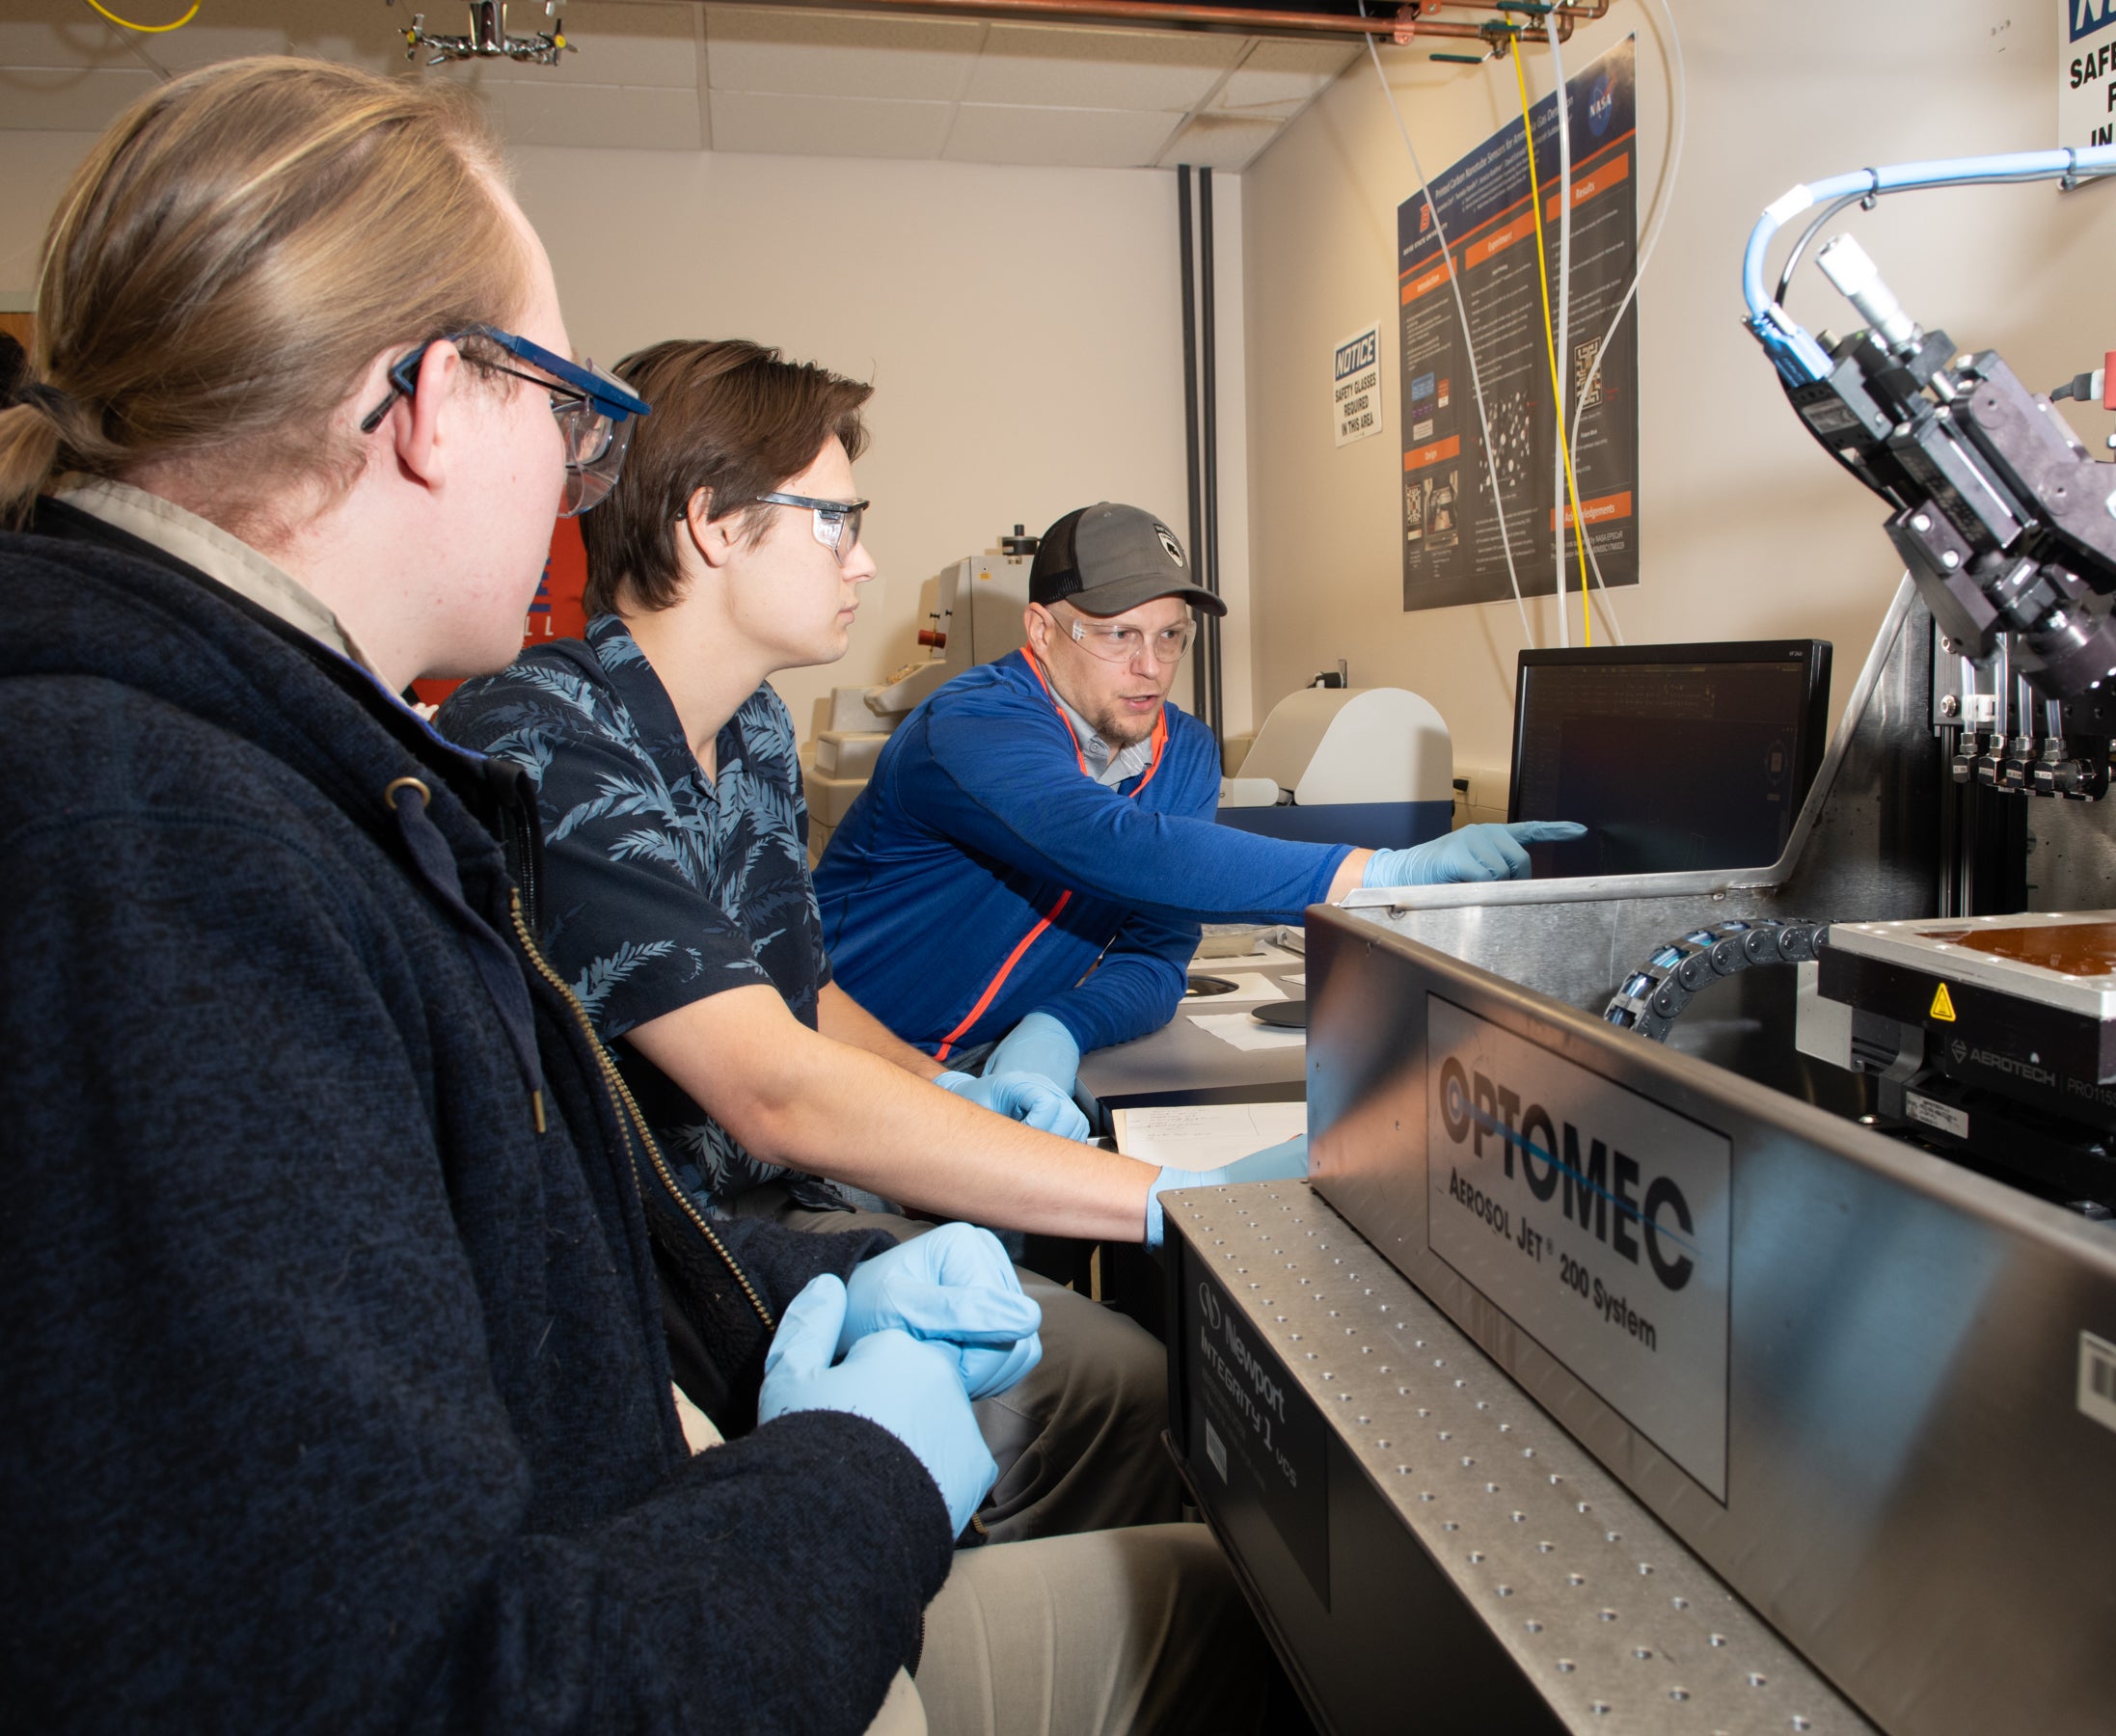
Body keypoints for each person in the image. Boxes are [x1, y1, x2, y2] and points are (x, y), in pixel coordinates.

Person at [0, 59, 1263, 1734]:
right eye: (558, 401)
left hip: (641, 1476)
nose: (575, 472)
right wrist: (861, 1463)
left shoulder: (297, 769)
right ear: (439, 402)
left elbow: (542, 1207)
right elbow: (405, 1673)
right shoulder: (151, 833)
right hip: (634, 1592)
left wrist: (800, 1274)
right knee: (1261, 1625)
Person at [441, 339, 1277, 1544]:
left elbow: (797, 999)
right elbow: (771, 1085)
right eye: (836, 521)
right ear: (715, 526)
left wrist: (948, 1086)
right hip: (654, 1265)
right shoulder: (545, 737)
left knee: (1125, 1371)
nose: (865, 558)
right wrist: (1169, 1201)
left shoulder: (758, 733)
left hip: (771, 1206)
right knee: (1126, 1390)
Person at [812, 500, 1582, 1085]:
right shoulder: (974, 722)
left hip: (984, 1076)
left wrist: (1059, 1026)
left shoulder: (1183, 753)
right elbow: (1112, 844)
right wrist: (1383, 873)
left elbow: (1155, 956)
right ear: (1042, 632)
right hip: (848, 1069)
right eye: (1118, 635)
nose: (1151, 664)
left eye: (1171, 634)